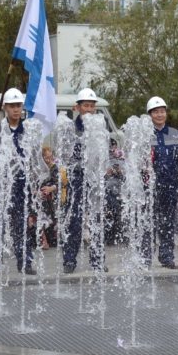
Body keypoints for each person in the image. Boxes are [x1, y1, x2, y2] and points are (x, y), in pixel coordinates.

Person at [0, 88, 37, 275]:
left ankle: (24, 261)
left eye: (18, 106)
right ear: (5, 108)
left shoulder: (28, 131)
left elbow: (34, 158)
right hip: (1, 184)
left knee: (21, 225)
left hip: (22, 186)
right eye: (12, 106)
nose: (16, 110)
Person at [62, 88, 106, 273]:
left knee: (97, 218)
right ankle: (70, 260)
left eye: (92, 106)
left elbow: (106, 152)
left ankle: (97, 260)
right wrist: (79, 165)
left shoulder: (101, 126)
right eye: (85, 105)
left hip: (95, 179)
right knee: (75, 219)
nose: (89, 109)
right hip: (77, 179)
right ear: (78, 107)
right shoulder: (71, 128)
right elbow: (64, 154)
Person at [146, 96, 178, 268]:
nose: (159, 115)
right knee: (149, 221)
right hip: (150, 184)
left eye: (162, 111)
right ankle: (146, 257)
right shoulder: (145, 133)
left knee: (168, 221)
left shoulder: (175, 133)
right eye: (156, 112)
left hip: (170, 184)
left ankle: (166, 256)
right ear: (150, 114)